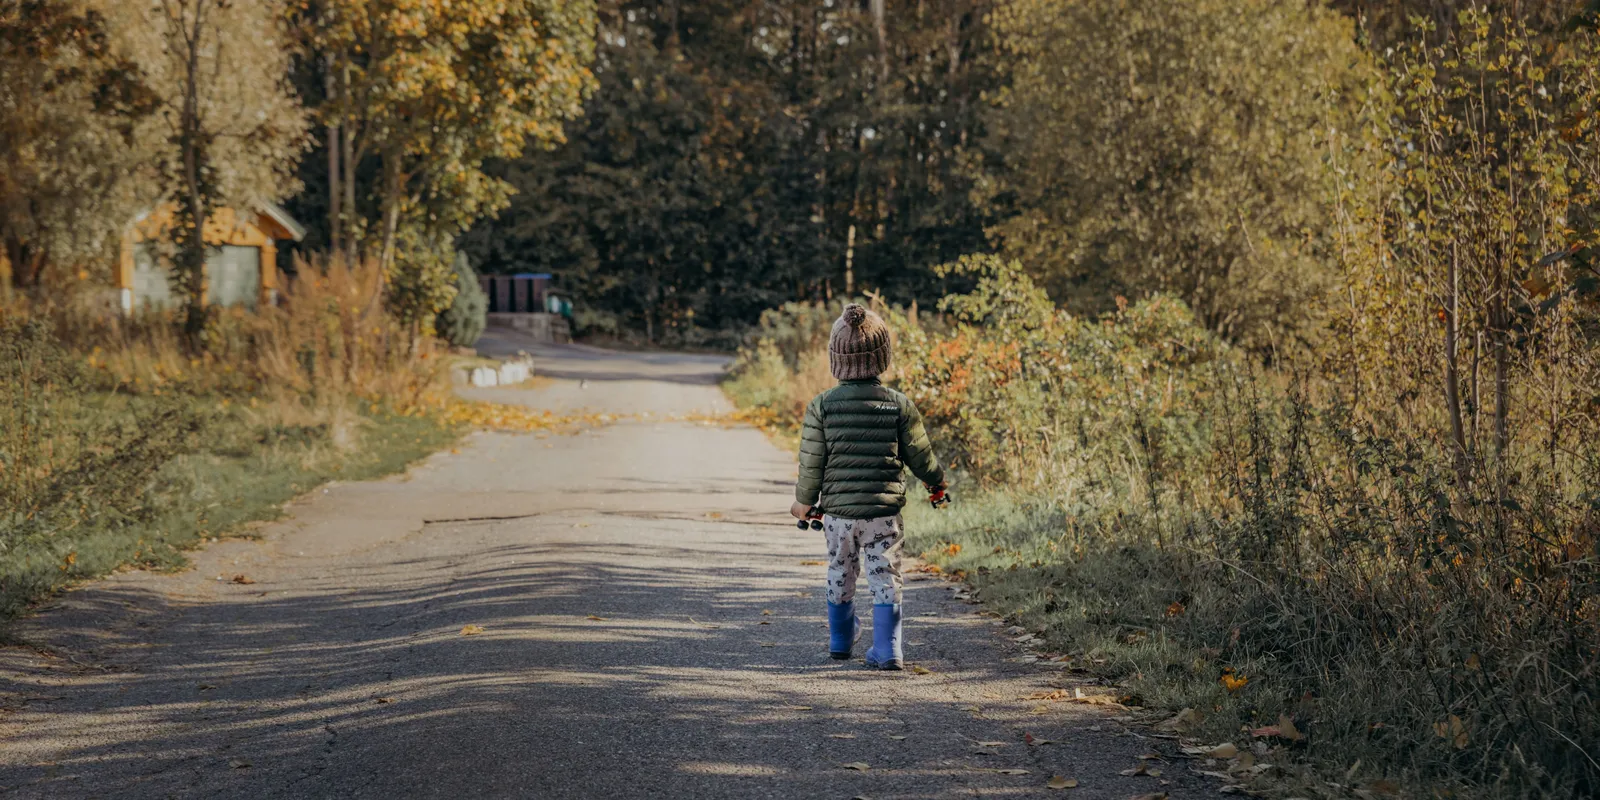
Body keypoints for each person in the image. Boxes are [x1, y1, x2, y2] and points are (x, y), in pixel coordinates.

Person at [790, 304, 948, 670]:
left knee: (840, 571)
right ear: (882, 356)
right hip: (883, 515)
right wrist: (936, 482)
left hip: (840, 516)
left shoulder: (821, 407)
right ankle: (888, 648)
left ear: (836, 358)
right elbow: (920, 456)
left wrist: (803, 502)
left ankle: (841, 641)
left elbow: (812, 463)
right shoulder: (898, 405)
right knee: (884, 574)